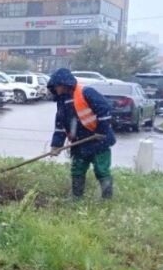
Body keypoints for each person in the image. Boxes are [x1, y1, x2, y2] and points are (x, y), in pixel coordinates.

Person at [47, 68, 117, 200]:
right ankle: (76, 196)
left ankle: (107, 198)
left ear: (64, 84)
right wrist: (56, 145)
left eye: (57, 86)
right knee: (77, 169)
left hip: (98, 140)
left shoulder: (86, 92)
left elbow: (105, 111)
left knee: (101, 170)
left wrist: (101, 132)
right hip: (79, 142)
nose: (56, 89)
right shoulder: (62, 101)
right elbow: (60, 126)